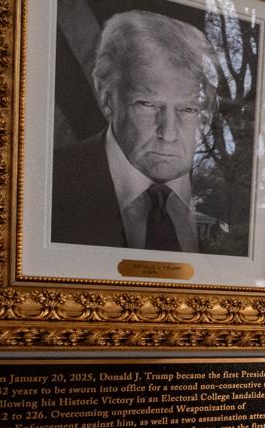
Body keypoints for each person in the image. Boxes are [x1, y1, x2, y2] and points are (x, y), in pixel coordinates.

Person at [51, 10, 220, 253]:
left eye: (188, 108)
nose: (169, 133)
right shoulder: (42, 184)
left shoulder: (238, 200)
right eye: (148, 104)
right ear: (107, 99)